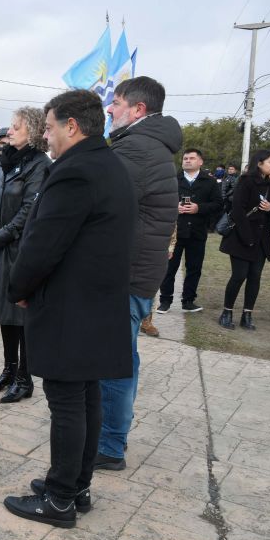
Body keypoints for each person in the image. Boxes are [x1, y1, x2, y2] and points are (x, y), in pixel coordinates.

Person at [4, 90, 135, 528]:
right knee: (85, 395)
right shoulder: (107, 164)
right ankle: (75, 487)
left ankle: (59, 500)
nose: (47, 135)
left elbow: (45, 243)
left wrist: (20, 286)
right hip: (94, 303)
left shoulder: (75, 172)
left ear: (72, 126)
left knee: (67, 401)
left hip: (70, 306)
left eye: (51, 126)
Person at [95, 76, 181, 471]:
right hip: (137, 270)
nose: (109, 109)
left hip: (125, 273)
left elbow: (98, 205)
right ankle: (111, 435)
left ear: (138, 110)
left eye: (115, 102)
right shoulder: (147, 145)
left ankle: (109, 445)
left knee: (115, 361)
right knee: (123, 356)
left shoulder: (138, 149)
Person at [0, 107, 50, 402]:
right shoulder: (4, 163)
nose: (9, 132)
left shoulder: (39, 165)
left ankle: (25, 378)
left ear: (32, 131)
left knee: (22, 316)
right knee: (4, 313)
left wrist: (0, 237)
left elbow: (29, 210)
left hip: (18, 249)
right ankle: (8, 370)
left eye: (15, 127)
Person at [156, 148, 222, 313]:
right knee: (169, 267)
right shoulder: (173, 179)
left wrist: (198, 208)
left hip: (197, 231)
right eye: (185, 158)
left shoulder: (209, 181)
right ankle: (165, 301)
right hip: (175, 231)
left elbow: (218, 204)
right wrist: (174, 207)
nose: (187, 160)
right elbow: (160, 200)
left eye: (192, 158)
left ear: (200, 161)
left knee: (194, 268)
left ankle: (188, 300)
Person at [218, 149, 270, 330]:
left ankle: (247, 314)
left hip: (261, 240)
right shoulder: (246, 181)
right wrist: (247, 237)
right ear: (259, 163)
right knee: (239, 275)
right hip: (242, 238)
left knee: (255, 277)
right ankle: (226, 312)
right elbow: (237, 211)